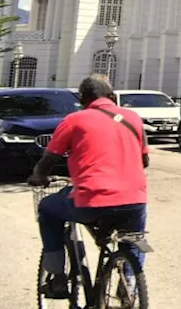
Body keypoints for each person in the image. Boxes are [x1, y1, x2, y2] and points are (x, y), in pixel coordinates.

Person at [28, 74, 149, 300]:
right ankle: (129, 285)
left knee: (47, 208)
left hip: (91, 199)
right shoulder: (133, 118)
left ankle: (58, 277)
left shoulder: (75, 120)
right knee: (134, 238)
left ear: (82, 99)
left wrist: (38, 176)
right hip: (135, 200)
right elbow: (145, 162)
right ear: (112, 97)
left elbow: (49, 158)